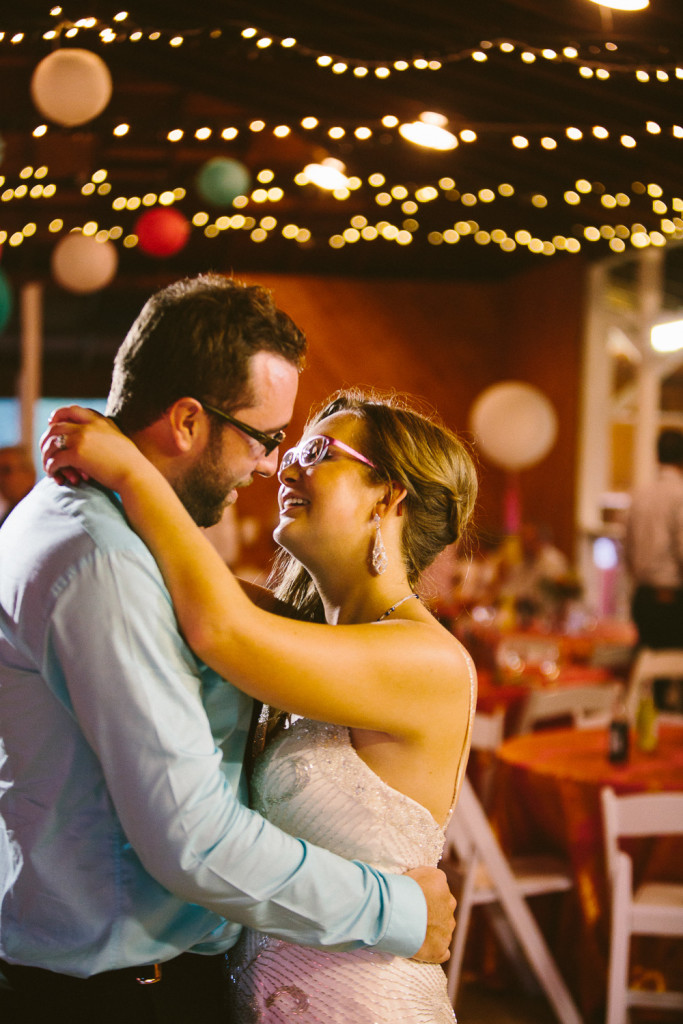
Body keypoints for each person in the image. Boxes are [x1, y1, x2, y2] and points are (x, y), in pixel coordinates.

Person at [0, 275, 455, 1024]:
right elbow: (192, 839)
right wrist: (397, 910)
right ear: (186, 421)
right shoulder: (108, 559)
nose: (271, 466)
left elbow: (221, 619)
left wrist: (132, 474)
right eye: (270, 438)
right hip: (118, 990)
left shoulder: (119, 535)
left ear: (389, 500)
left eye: (310, 451)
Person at [624, 428, 683, 706]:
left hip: (644, 597)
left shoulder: (640, 494)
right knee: (672, 675)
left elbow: (626, 546)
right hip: (671, 598)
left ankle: (649, 732)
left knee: (649, 674)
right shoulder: (680, 494)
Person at [0, 444, 36, 525]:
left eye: (6, 471)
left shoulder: (41, 513)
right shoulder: (8, 515)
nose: (1, 479)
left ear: (30, 474)